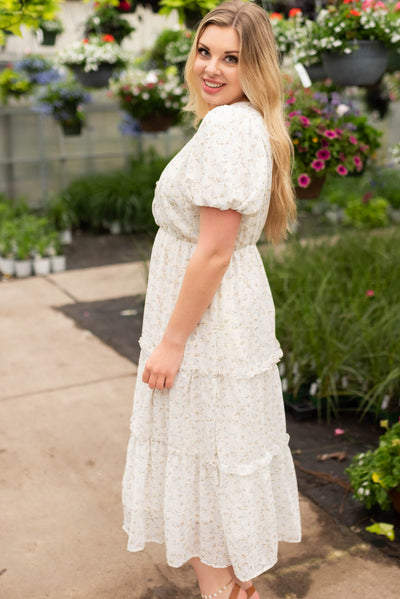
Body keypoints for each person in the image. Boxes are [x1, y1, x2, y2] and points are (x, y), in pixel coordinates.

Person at [122, 1, 301, 597]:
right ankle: (233, 589)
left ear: (258, 67)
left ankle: (223, 591)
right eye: (205, 52)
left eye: (233, 57)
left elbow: (215, 251)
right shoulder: (245, 122)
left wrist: (171, 341)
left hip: (207, 321)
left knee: (203, 467)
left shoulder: (228, 128)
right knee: (216, 461)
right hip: (224, 311)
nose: (212, 69)